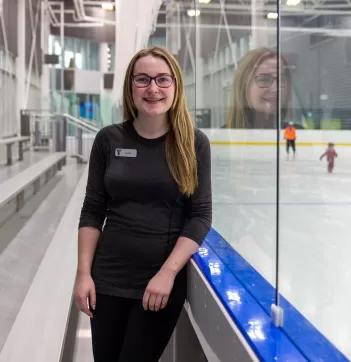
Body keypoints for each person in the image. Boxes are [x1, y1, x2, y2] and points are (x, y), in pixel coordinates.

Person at [74, 46, 212, 362]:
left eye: (163, 79)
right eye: (143, 79)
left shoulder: (193, 143)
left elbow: (200, 216)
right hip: (107, 279)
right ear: (130, 87)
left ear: (176, 86)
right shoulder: (109, 139)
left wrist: (167, 274)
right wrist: (84, 273)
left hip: (158, 285)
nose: (153, 88)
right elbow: (93, 209)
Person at [226, 47, 291, 129]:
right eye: (264, 79)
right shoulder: (221, 137)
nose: (276, 89)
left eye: (281, 79)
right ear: (244, 86)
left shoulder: (299, 134)